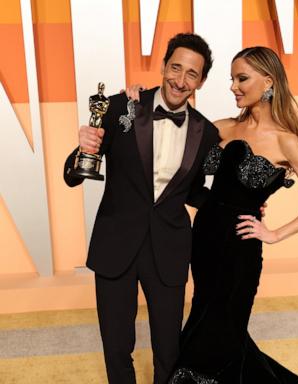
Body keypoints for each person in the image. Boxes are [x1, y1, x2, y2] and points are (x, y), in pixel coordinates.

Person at [165, 46, 298, 383]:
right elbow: (169, 130)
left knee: (225, 326)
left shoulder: (287, 143)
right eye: (232, 79)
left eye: (242, 78)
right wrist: (135, 98)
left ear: (268, 81)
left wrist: (273, 233)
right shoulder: (222, 128)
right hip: (205, 239)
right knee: (206, 316)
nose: (233, 86)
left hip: (240, 249)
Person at [64, 33, 221, 384]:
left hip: (169, 249)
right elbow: (76, 175)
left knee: (169, 348)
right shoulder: (123, 106)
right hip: (115, 243)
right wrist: (82, 149)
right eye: (175, 67)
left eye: (191, 74)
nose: (180, 80)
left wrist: (238, 208)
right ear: (163, 66)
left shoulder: (206, 132)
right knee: (117, 345)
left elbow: (194, 192)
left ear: (202, 81)